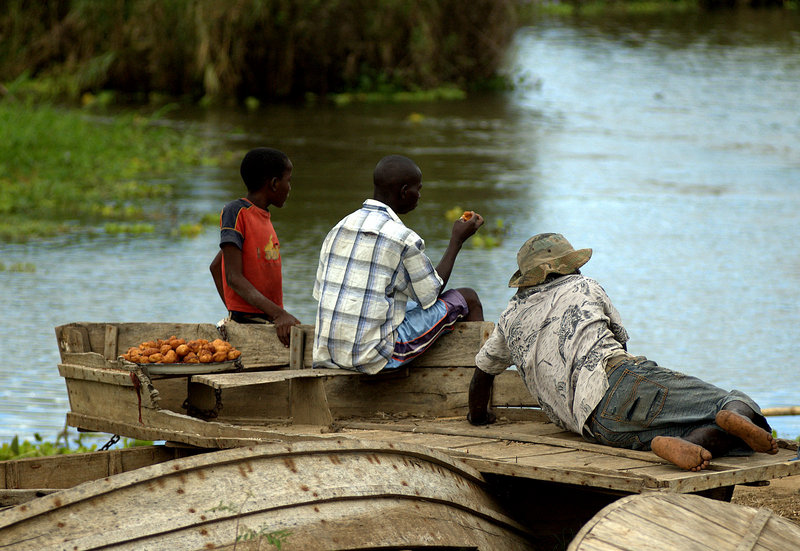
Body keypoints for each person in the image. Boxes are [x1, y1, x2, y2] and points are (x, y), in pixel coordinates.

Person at [467, 232, 778, 471]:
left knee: (719, 433)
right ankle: (732, 415)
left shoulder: (510, 316)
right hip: (619, 382)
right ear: (569, 265)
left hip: (596, 426)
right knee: (730, 401)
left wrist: (479, 417)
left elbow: (482, 374)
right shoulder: (585, 286)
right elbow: (621, 345)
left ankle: (685, 444)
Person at [313, 154, 484, 374]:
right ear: (404, 192)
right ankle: (477, 381)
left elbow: (321, 293)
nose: (419, 195)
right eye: (418, 189)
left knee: (403, 304)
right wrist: (456, 241)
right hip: (374, 356)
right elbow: (431, 293)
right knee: (467, 297)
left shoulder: (338, 228)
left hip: (329, 352)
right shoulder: (402, 238)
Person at [210, 147, 300, 347]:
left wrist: (275, 314)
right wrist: (240, 314)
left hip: (268, 318)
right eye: (289, 180)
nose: (290, 187)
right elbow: (232, 277)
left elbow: (217, 266)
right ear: (275, 184)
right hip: (253, 321)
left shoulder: (262, 216)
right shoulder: (236, 212)